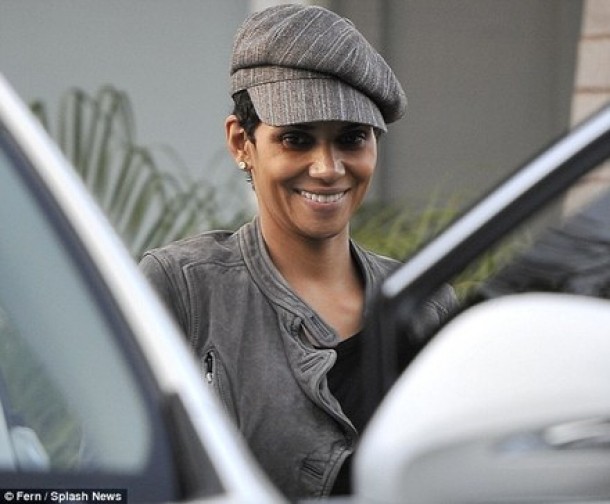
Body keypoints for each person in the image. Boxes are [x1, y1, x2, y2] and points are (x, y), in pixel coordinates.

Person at [140, 4, 455, 499]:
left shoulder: (425, 303)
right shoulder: (184, 286)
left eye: (351, 138)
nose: (327, 168)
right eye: (296, 139)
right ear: (241, 142)